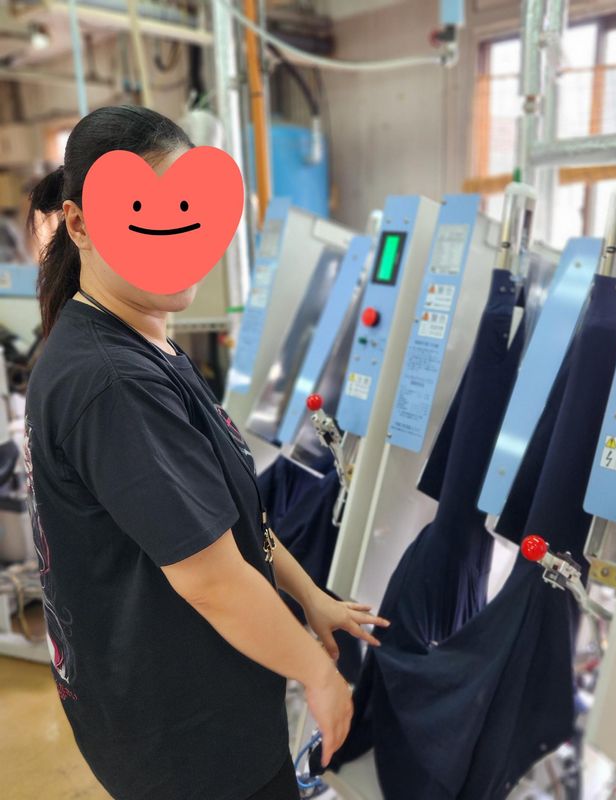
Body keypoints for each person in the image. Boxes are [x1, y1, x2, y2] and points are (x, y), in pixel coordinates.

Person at [23, 104, 388, 800]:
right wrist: (318, 674)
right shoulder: (113, 381)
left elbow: (228, 516)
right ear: (79, 224)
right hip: (188, 743)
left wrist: (311, 598)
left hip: (185, 706)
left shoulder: (147, 343)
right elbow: (211, 578)